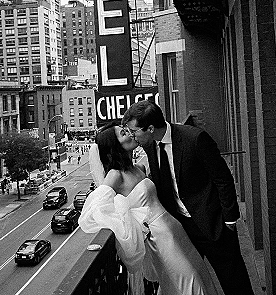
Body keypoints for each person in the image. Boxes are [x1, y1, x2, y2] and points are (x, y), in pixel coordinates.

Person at [122, 100, 254, 295]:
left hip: (214, 225)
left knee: (234, 283)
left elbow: (223, 178)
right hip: (182, 228)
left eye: (135, 132)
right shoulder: (151, 146)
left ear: (150, 128)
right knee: (187, 284)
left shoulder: (195, 138)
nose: (134, 137)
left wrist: (229, 219)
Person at [79, 122, 218, 295]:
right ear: (115, 146)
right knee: (189, 281)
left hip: (174, 229)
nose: (130, 134)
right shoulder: (115, 175)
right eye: (123, 133)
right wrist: (131, 222)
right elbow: (96, 208)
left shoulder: (139, 168)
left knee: (198, 273)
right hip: (158, 238)